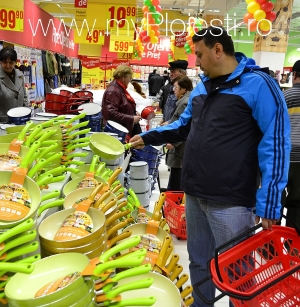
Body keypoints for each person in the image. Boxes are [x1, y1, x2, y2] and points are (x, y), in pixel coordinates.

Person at [129, 26, 290, 307]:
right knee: (199, 263)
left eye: (200, 55)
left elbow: (275, 144)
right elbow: (184, 126)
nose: (197, 62)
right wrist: (148, 137)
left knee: (238, 272)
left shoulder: (259, 85)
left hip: (232, 201)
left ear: (218, 50)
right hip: (195, 194)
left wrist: (270, 205)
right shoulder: (202, 87)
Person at [164, 76, 193, 191]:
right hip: (180, 146)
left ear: (183, 89)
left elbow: (185, 126)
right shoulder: (185, 100)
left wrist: (173, 142)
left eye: (176, 87)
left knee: (176, 180)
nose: (174, 90)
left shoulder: (184, 103)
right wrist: (169, 122)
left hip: (180, 148)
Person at [281, 60, 300, 230]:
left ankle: (271, 244)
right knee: (297, 202)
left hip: (285, 155)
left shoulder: (285, 96)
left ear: (294, 75)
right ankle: (293, 243)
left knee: (277, 199)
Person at [101, 64, 141, 137]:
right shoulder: (114, 90)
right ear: (123, 77)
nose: (130, 80)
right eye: (129, 77)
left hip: (120, 129)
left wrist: (133, 112)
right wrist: (131, 118)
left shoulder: (119, 89)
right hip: (116, 131)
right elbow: (110, 113)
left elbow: (121, 107)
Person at [0, 47, 28, 123]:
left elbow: (24, 97)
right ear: (0, 62)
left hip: (21, 120)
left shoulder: (20, 75)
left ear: (15, 62)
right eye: (5, 62)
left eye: (11, 62)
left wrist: (26, 112)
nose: (8, 65)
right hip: (3, 123)